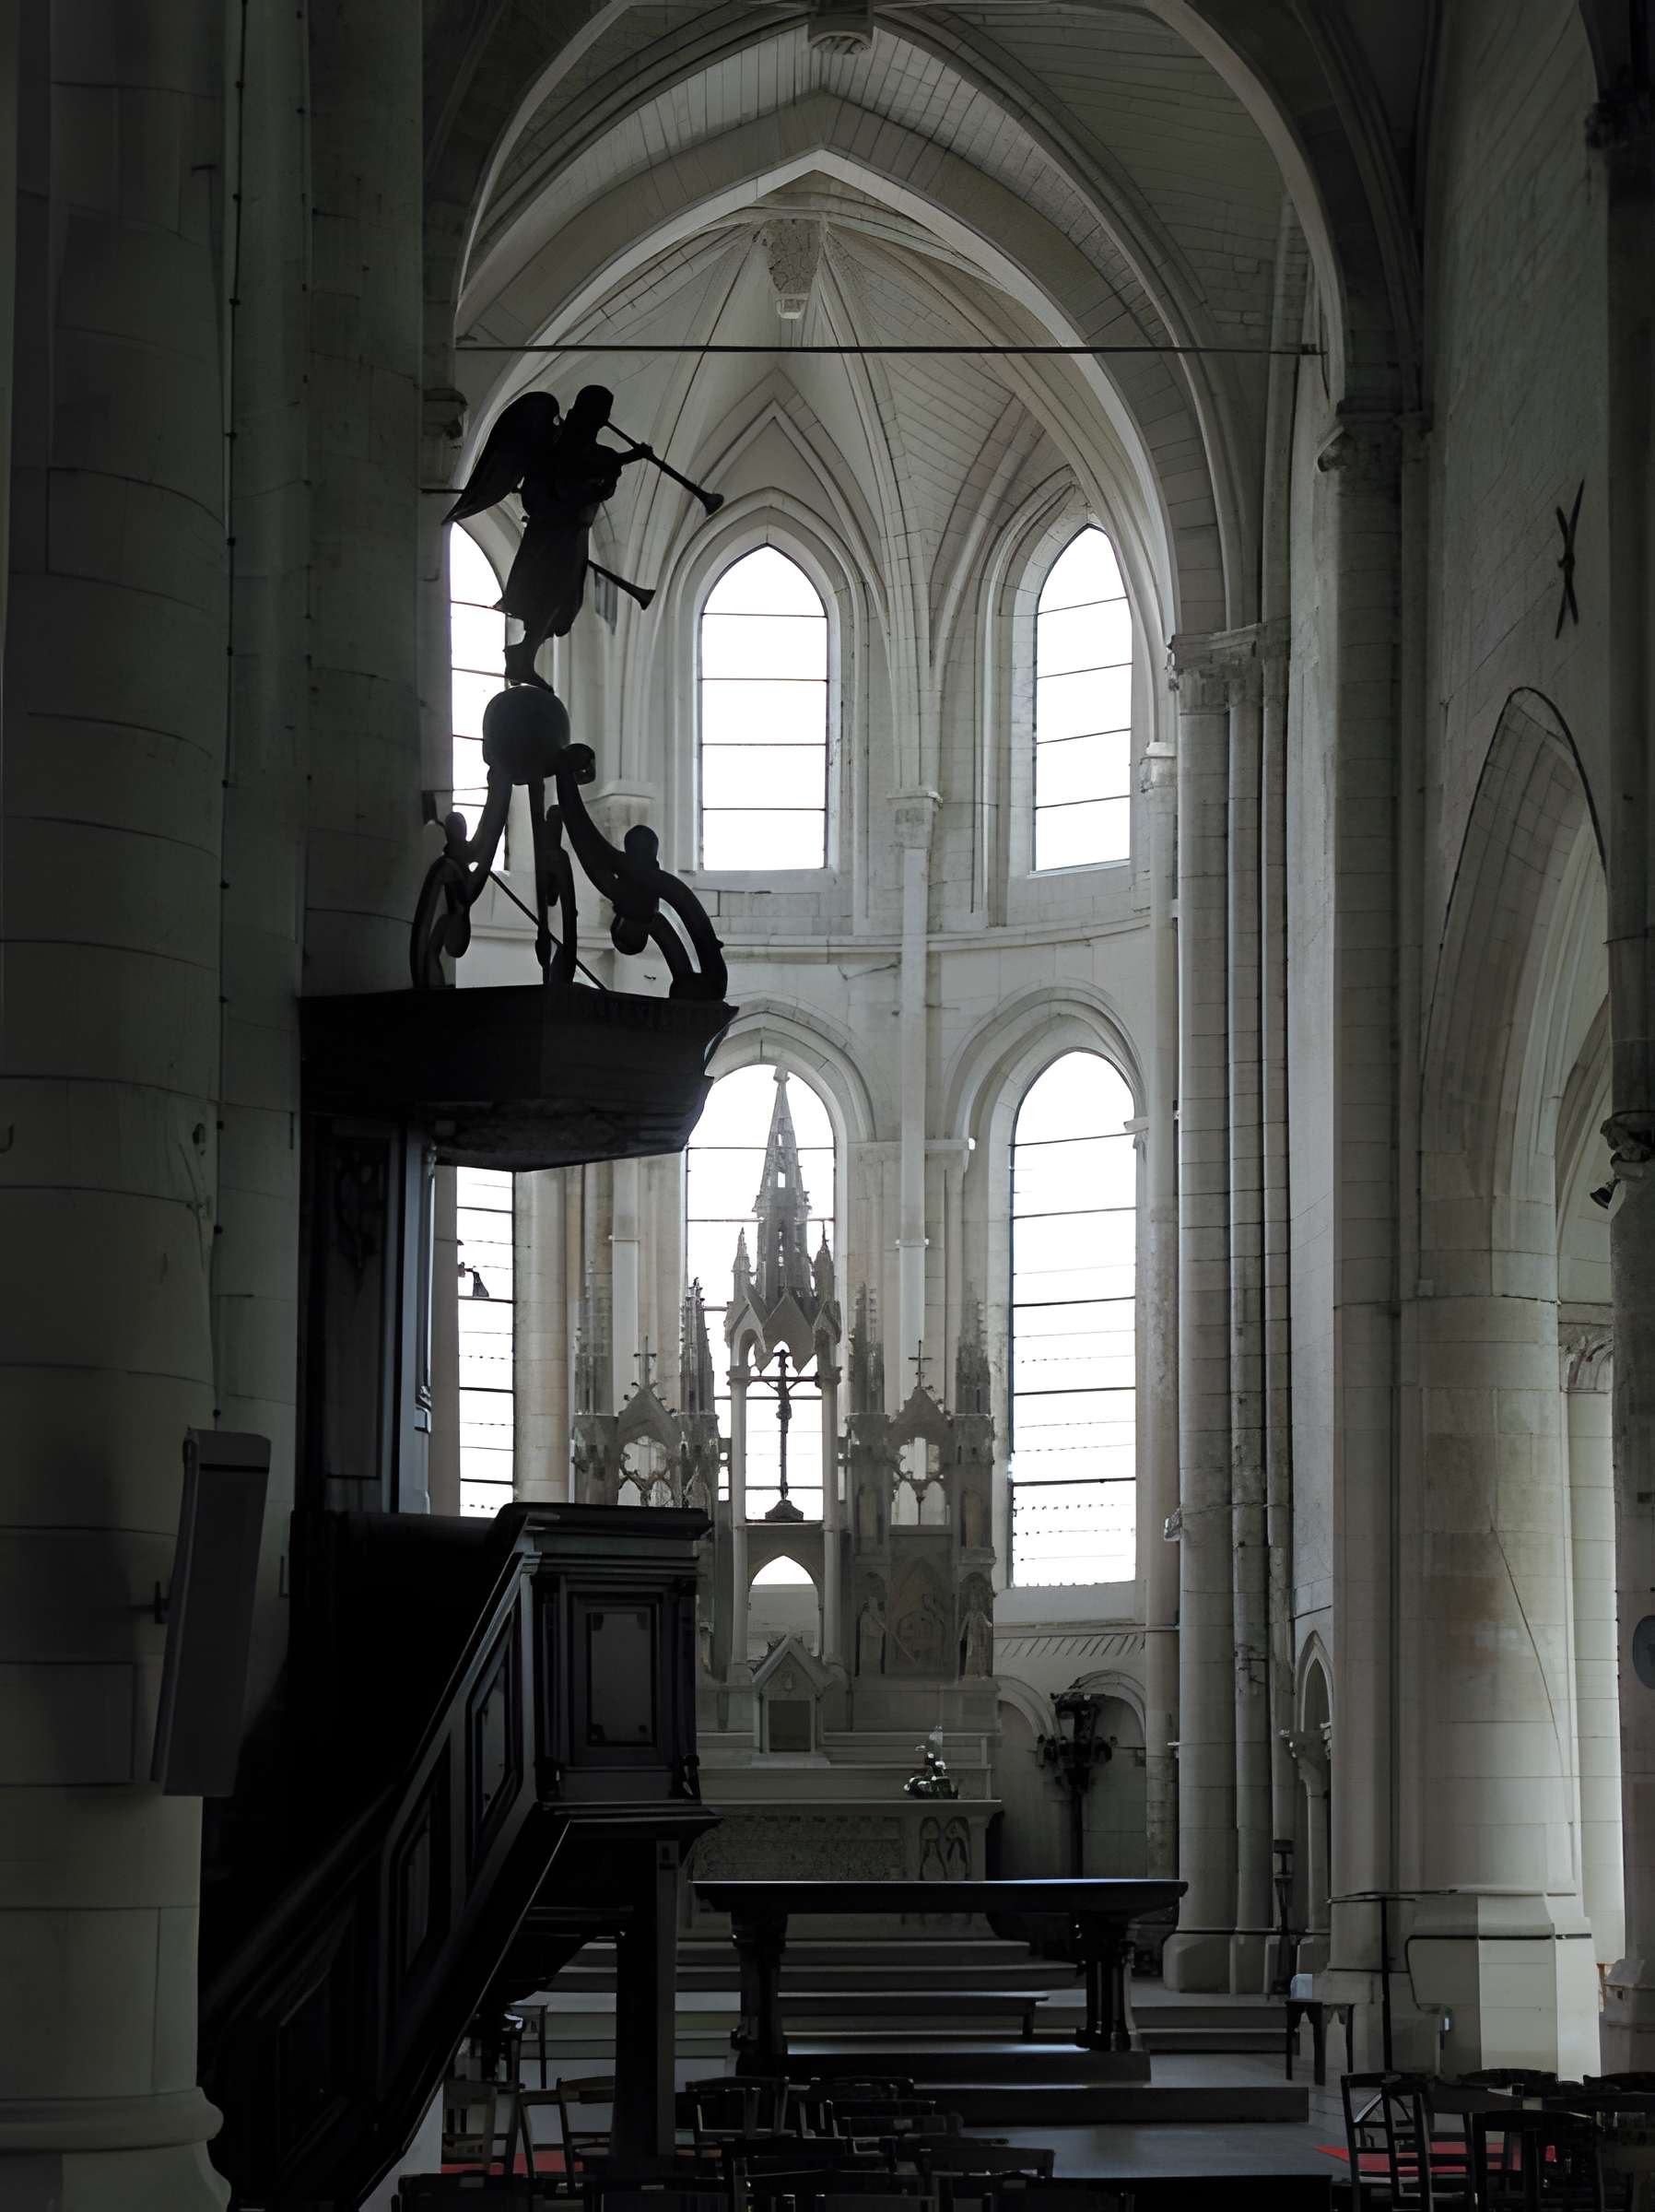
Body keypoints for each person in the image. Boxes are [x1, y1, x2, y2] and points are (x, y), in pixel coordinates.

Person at [445, 384, 656, 685]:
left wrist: (620, 463)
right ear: (586, 412)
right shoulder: (556, 444)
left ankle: (523, 654)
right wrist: (626, 459)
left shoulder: (599, 453)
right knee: (549, 593)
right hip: (553, 532)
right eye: (599, 412)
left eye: (605, 414)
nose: (602, 419)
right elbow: (565, 473)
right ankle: (523, 657)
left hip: (574, 534)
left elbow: (600, 482)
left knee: (564, 602)